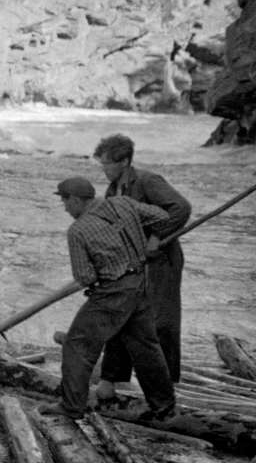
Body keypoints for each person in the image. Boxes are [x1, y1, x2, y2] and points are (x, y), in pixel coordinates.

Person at [42, 177, 176, 421]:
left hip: (112, 295)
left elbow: (85, 276)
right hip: (139, 284)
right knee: (146, 346)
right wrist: (149, 241)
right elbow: (162, 217)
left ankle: (72, 407)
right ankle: (164, 406)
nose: (64, 208)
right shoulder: (123, 203)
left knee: (76, 345)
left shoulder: (78, 230)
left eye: (64, 201)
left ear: (76, 199)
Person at [93, 134, 191, 393]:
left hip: (162, 261)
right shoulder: (113, 190)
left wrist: (157, 236)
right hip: (132, 261)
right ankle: (111, 379)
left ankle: (165, 385)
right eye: (101, 163)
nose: (103, 168)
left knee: (161, 321)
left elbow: (180, 208)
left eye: (107, 163)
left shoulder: (148, 182)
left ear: (124, 161)